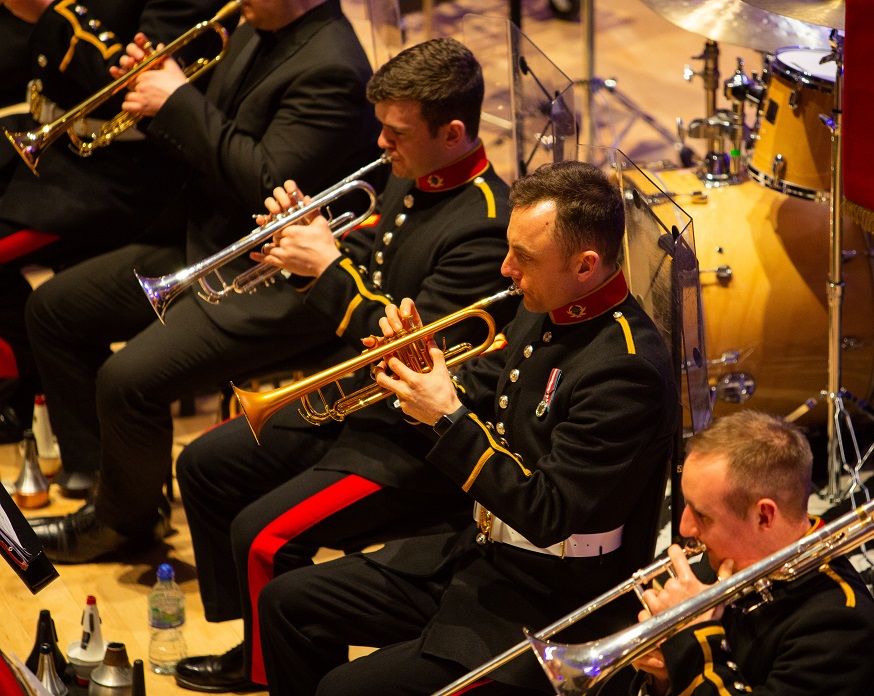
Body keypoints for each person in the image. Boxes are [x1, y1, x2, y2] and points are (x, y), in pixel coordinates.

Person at [256, 160, 679, 696]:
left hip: (548, 600)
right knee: (287, 604)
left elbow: (547, 511)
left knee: (343, 689)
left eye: (523, 258)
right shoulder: (548, 306)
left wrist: (446, 417)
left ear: (585, 264)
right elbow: (483, 384)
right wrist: (417, 367)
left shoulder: (625, 368)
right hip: (477, 553)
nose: (506, 268)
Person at [171, 37, 516, 693]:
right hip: (352, 406)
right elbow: (375, 279)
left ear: (452, 132)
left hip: (406, 443)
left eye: (394, 132)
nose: (379, 145)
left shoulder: (481, 227)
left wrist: (325, 271)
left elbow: (408, 348)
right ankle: (259, 646)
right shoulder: (408, 177)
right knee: (205, 466)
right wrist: (305, 252)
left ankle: (283, 675)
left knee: (263, 536)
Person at [25, 0, 381, 560]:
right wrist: (151, 101)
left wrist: (177, 101)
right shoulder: (254, 26)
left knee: (127, 380)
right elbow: (209, 138)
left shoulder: (334, 69)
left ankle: (122, 524)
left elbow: (268, 184)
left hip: (272, 275)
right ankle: (112, 487)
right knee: (53, 310)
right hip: (205, 240)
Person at [0, 0, 226, 452]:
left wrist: (50, 9)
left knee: (53, 308)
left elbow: (125, 88)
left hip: (119, 179)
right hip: (49, 155)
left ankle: (52, 413)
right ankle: (32, 398)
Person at [630, 410, 874, 696]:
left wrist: (690, 645)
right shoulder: (714, 567)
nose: (684, 526)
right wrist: (663, 678)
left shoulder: (840, 625)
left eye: (702, 514)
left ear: (765, 517)